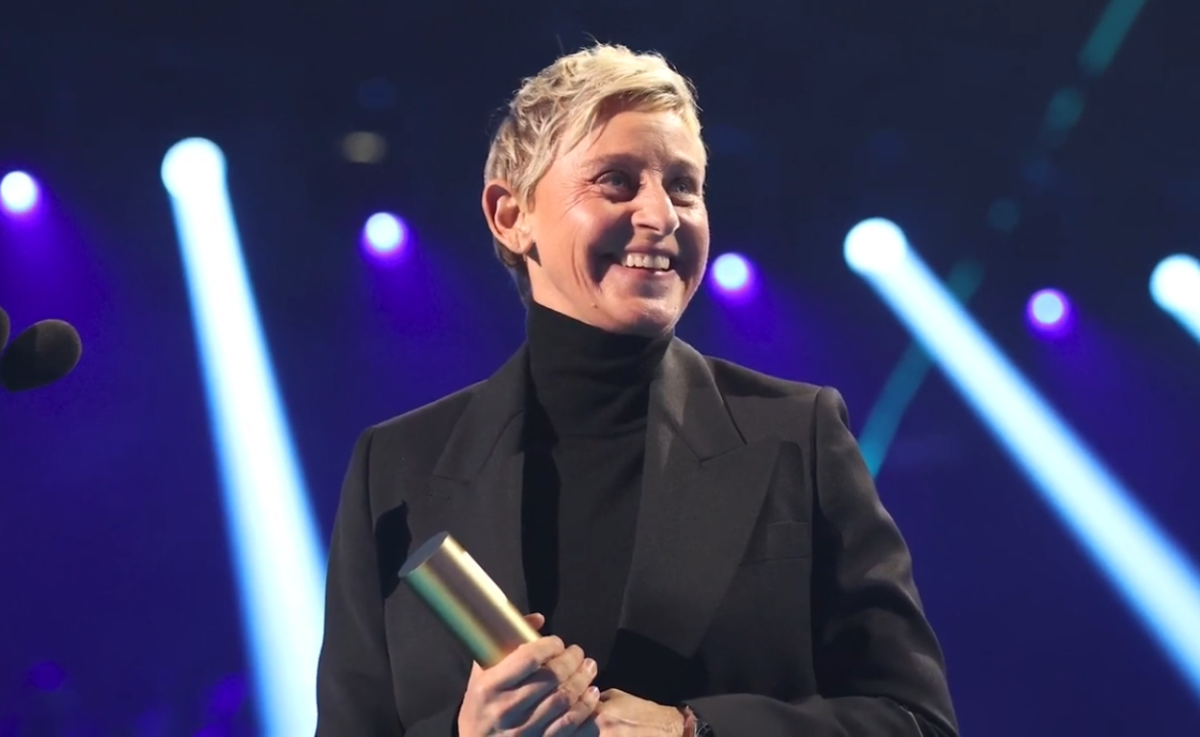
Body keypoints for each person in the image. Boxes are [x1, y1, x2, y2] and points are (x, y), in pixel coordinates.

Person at [315, 42, 958, 737]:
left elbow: (914, 720)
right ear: (510, 215)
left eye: (684, 186)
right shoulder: (399, 467)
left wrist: (694, 730)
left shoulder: (796, 434)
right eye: (616, 182)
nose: (662, 215)